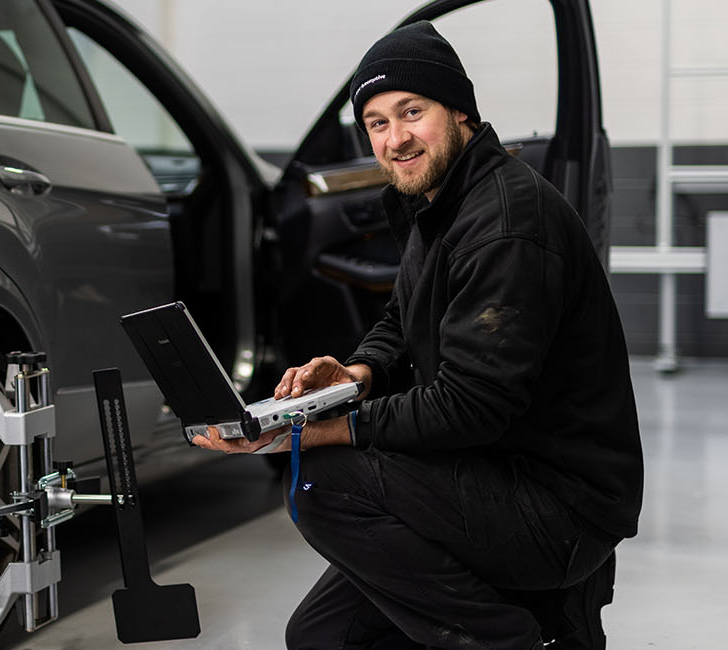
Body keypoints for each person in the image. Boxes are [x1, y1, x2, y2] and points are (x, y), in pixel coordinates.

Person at [191, 21, 644, 650]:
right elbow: (404, 319)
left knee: (321, 478)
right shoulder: (440, 203)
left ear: (459, 111)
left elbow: (471, 406)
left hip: (557, 510)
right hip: (493, 475)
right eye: (377, 123)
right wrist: (356, 376)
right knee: (323, 636)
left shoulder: (506, 225)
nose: (396, 138)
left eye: (412, 112)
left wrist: (318, 428)